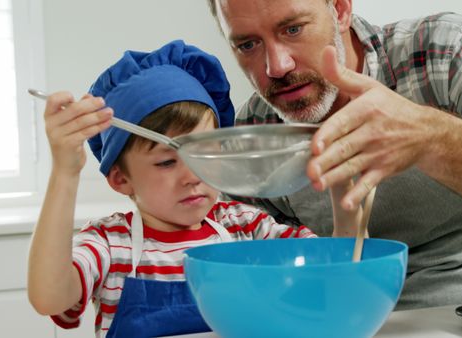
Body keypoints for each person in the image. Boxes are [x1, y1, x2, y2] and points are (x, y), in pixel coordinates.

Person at [205, 0, 462, 310]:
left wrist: (434, 137)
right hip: (362, 323)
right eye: (248, 45)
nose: (276, 67)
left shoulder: (442, 52)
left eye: (293, 29)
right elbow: (267, 286)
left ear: (340, 8)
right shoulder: (258, 128)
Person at [26, 40, 361, 338]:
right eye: (167, 162)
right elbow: (49, 297)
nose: (193, 176)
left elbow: (334, 271)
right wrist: (65, 173)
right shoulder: (111, 245)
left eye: (204, 155)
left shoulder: (244, 227)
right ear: (120, 179)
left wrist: (343, 194)